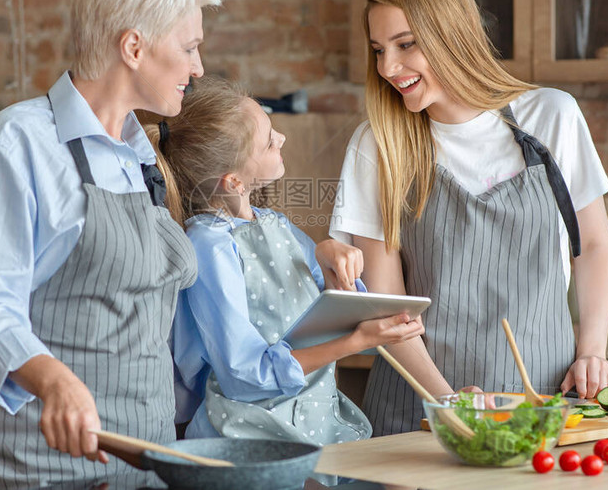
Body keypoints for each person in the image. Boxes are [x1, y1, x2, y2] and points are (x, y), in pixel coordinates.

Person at [0, 0, 221, 488]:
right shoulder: (17, 143)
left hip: (142, 460)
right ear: (134, 47)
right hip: (36, 468)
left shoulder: (141, 157)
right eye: (189, 48)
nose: (198, 68)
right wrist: (51, 379)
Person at [329, 0, 608, 436]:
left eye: (406, 45)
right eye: (379, 49)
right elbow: (386, 302)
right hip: (418, 411)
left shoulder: (549, 117)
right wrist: (447, 403)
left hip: (540, 401)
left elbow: (594, 246)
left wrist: (592, 349)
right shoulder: (377, 144)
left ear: (453, 33)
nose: (388, 68)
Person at [146, 76, 422, 448]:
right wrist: (354, 341)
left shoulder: (275, 224)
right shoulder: (209, 246)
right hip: (248, 440)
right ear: (233, 182)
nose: (282, 140)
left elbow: (327, 315)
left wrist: (328, 260)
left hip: (311, 424)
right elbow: (244, 376)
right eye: (269, 138)